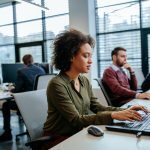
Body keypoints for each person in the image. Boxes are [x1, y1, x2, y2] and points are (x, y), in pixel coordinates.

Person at [43, 29, 147, 149]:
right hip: (58, 139)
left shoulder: (83, 80)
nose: (91, 61)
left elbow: (97, 107)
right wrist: (114, 115)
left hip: (78, 133)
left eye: (91, 56)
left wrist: (126, 111)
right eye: (85, 56)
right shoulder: (57, 84)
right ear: (71, 56)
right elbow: (76, 120)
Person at [0, 54, 46, 142]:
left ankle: (7, 133)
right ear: (32, 60)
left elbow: (17, 89)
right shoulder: (41, 69)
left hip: (27, 102)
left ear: (24, 62)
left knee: (6, 104)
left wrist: (11, 90)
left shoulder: (21, 71)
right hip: (40, 102)